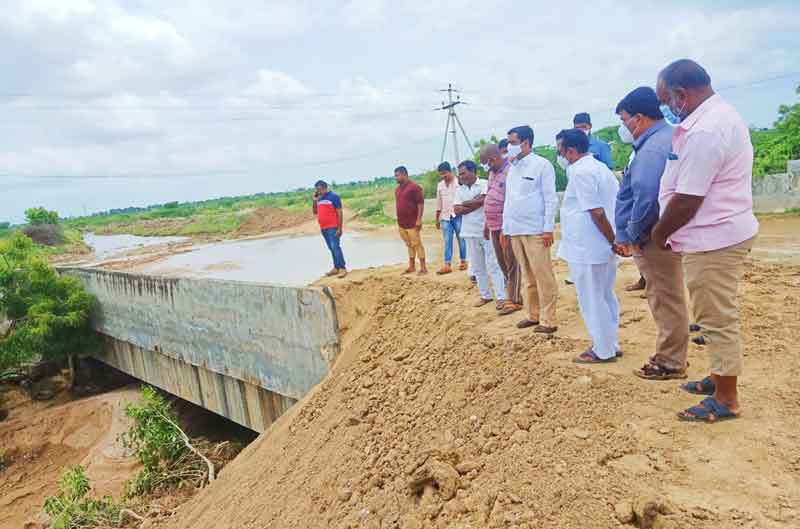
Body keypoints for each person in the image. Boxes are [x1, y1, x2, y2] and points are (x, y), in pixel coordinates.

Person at [652, 59, 759, 422]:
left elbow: (688, 198)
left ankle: (726, 398)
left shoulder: (705, 130)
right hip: (714, 233)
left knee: (716, 318)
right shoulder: (715, 118)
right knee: (712, 313)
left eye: (666, 101)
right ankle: (717, 378)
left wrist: (660, 233)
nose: (666, 109)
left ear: (681, 95)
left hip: (713, 238)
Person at [613, 86, 689, 379]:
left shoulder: (654, 147)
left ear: (639, 118)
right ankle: (671, 355)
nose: (623, 127)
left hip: (654, 235)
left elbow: (646, 196)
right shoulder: (660, 140)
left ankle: (671, 362)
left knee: (665, 297)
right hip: (659, 230)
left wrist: (634, 232)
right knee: (665, 295)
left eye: (624, 120)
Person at [556, 128, 620, 363]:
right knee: (605, 296)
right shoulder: (599, 168)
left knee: (592, 299)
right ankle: (611, 344)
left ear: (571, 151)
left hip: (589, 246)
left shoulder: (581, 172)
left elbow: (596, 211)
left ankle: (603, 350)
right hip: (599, 245)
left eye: (560, 151)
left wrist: (613, 240)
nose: (560, 156)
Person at [502, 125, 559, 333]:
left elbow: (550, 199)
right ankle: (533, 314)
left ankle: (549, 319)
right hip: (515, 230)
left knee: (543, 275)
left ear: (526, 143)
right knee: (527, 277)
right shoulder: (512, 168)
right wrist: (505, 229)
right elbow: (509, 201)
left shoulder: (542, 165)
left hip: (536, 230)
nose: (509, 147)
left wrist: (548, 229)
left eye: (513, 142)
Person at [454, 160, 506, 308]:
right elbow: (457, 210)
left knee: (493, 264)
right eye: (460, 174)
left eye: (463, 173)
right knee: (477, 267)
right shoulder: (459, 190)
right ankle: (485, 295)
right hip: (469, 232)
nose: (461, 176)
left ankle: (501, 297)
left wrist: (466, 203)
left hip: (486, 230)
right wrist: (477, 202)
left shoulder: (484, 183)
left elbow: (485, 199)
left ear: (472, 171)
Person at [480, 143, 523, 315]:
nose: (486, 167)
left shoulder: (511, 171)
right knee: (502, 262)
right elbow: (490, 198)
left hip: (506, 225)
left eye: (486, 163)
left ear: (493, 159)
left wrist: (506, 227)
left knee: (512, 262)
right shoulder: (492, 173)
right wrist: (487, 224)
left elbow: (512, 201)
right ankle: (511, 295)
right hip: (494, 225)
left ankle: (515, 299)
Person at [435, 162, 468, 274]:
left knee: (462, 239)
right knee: (447, 240)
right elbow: (439, 203)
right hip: (445, 217)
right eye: (441, 174)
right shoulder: (440, 185)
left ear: (450, 171)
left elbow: (465, 198)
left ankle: (464, 261)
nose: (443, 176)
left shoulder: (459, 182)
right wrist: (437, 218)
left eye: (445, 173)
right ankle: (447, 264)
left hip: (458, 216)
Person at [394, 166, 428, 275]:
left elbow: (420, 204)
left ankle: (423, 268)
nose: (396, 178)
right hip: (401, 223)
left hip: (413, 223)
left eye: (397, 175)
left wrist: (419, 220)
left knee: (417, 244)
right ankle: (412, 266)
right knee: (409, 245)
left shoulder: (415, 187)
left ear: (404, 174)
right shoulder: (397, 190)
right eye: (395, 175)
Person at [312, 180, 347, 278]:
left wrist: (339, 228)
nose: (318, 191)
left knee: (335, 247)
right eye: (317, 190)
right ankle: (336, 268)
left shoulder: (334, 197)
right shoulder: (319, 198)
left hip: (333, 227)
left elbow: (339, 213)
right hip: (323, 227)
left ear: (325, 188)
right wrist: (314, 201)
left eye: (319, 189)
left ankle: (342, 268)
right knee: (331, 248)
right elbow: (315, 212)